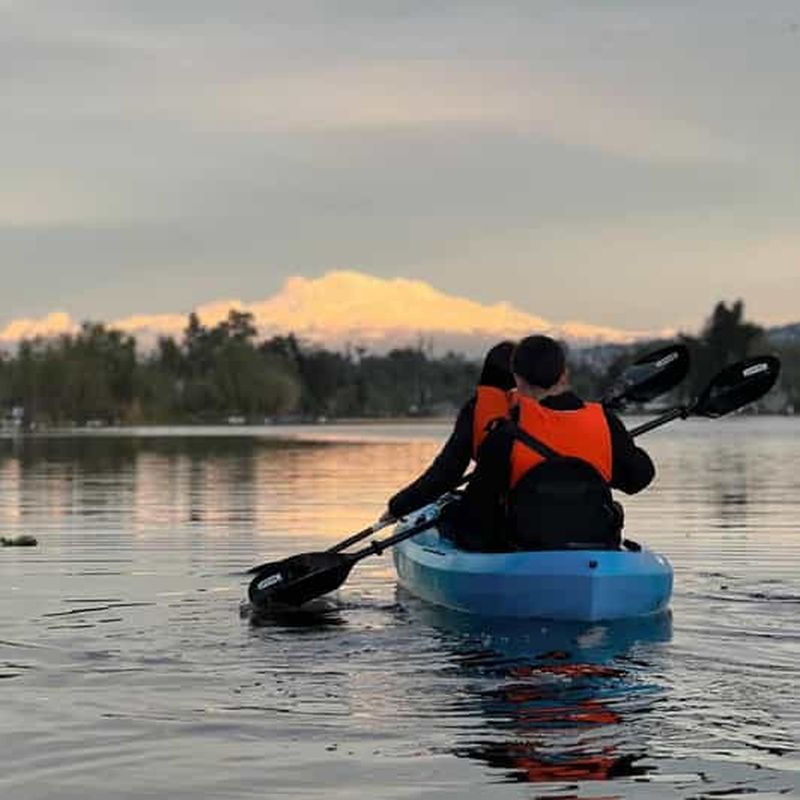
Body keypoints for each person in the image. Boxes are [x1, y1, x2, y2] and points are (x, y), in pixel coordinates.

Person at [454, 335, 655, 551]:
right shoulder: (606, 422)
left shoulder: (504, 432)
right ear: (564, 374)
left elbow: (478, 510)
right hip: (595, 544)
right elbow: (639, 478)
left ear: (517, 379)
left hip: (525, 548)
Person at [380, 341, 516, 522]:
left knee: (450, 512)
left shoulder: (476, 410)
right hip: (547, 513)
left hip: (499, 518)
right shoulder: (555, 409)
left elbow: (445, 474)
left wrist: (397, 508)